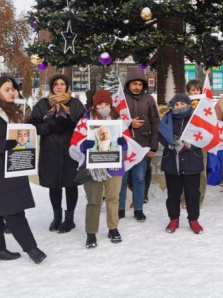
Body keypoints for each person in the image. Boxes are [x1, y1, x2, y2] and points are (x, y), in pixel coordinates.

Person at [30, 74, 85, 233]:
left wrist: (71, 124)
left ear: (67, 87)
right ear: (52, 87)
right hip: (51, 152)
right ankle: (57, 217)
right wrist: (50, 127)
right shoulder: (43, 104)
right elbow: (35, 126)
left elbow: (84, 126)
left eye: (62, 84)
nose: (59, 86)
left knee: (70, 184)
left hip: (70, 152)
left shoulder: (75, 104)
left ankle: (69, 219)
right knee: (54, 185)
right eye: (56, 84)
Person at [0, 76, 46, 263]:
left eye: (13, 89)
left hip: (13, 168)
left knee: (10, 209)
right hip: (3, 172)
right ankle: (32, 249)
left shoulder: (14, 112)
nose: (12, 92)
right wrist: (6, 144)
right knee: (14, 211)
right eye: (7, 89)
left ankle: (1, 250)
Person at [75, 90, 127, 249]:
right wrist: (83, 146)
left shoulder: (119, 121)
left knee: (113, 198)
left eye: (106, 104)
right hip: (93, 167)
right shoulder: (85, 122)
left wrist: (123, 144)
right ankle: (91, 232)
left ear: (111, 105)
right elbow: (75, 143)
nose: (103, 107)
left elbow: (127, 144)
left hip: (114, 166)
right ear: (94, 105)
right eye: (99, 104)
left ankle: (113, 228)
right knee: (94, 201)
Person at [158, 94, 204, 234]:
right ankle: (174, 218)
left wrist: (190, 144)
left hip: (192, 161)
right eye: (176, 104)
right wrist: (171, 144)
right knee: (173, 193)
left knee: (192, 193)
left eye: (182, 104)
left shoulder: (196, 119)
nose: (179, 107)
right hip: (172, 162)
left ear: (188, 104)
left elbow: (204, 135)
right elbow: (160, 135)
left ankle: (193, 219)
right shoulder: (166, 119)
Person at [118, 68, 160, 222]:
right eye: (134, 83)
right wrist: (129, 124)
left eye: (140, 84)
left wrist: (153, 147)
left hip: (142, 146)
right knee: (121, 179)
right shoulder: (120, 98)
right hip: (123, 146)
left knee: (140, 178)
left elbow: (155, 122)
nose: (137, 87)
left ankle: (138, 208)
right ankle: (120, 208)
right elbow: (112, 122)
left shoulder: (149, 99)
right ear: (128, 84)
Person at [180, 79, 207, 209]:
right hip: (185, 141)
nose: (195, 92)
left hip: (201, 142)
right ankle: (184, 198)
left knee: (200, 172)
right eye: (192, 90)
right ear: (188, 92)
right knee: (184, 171)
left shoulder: (206, 105)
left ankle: (199, 198)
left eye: (197, 90)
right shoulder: (182, 104)